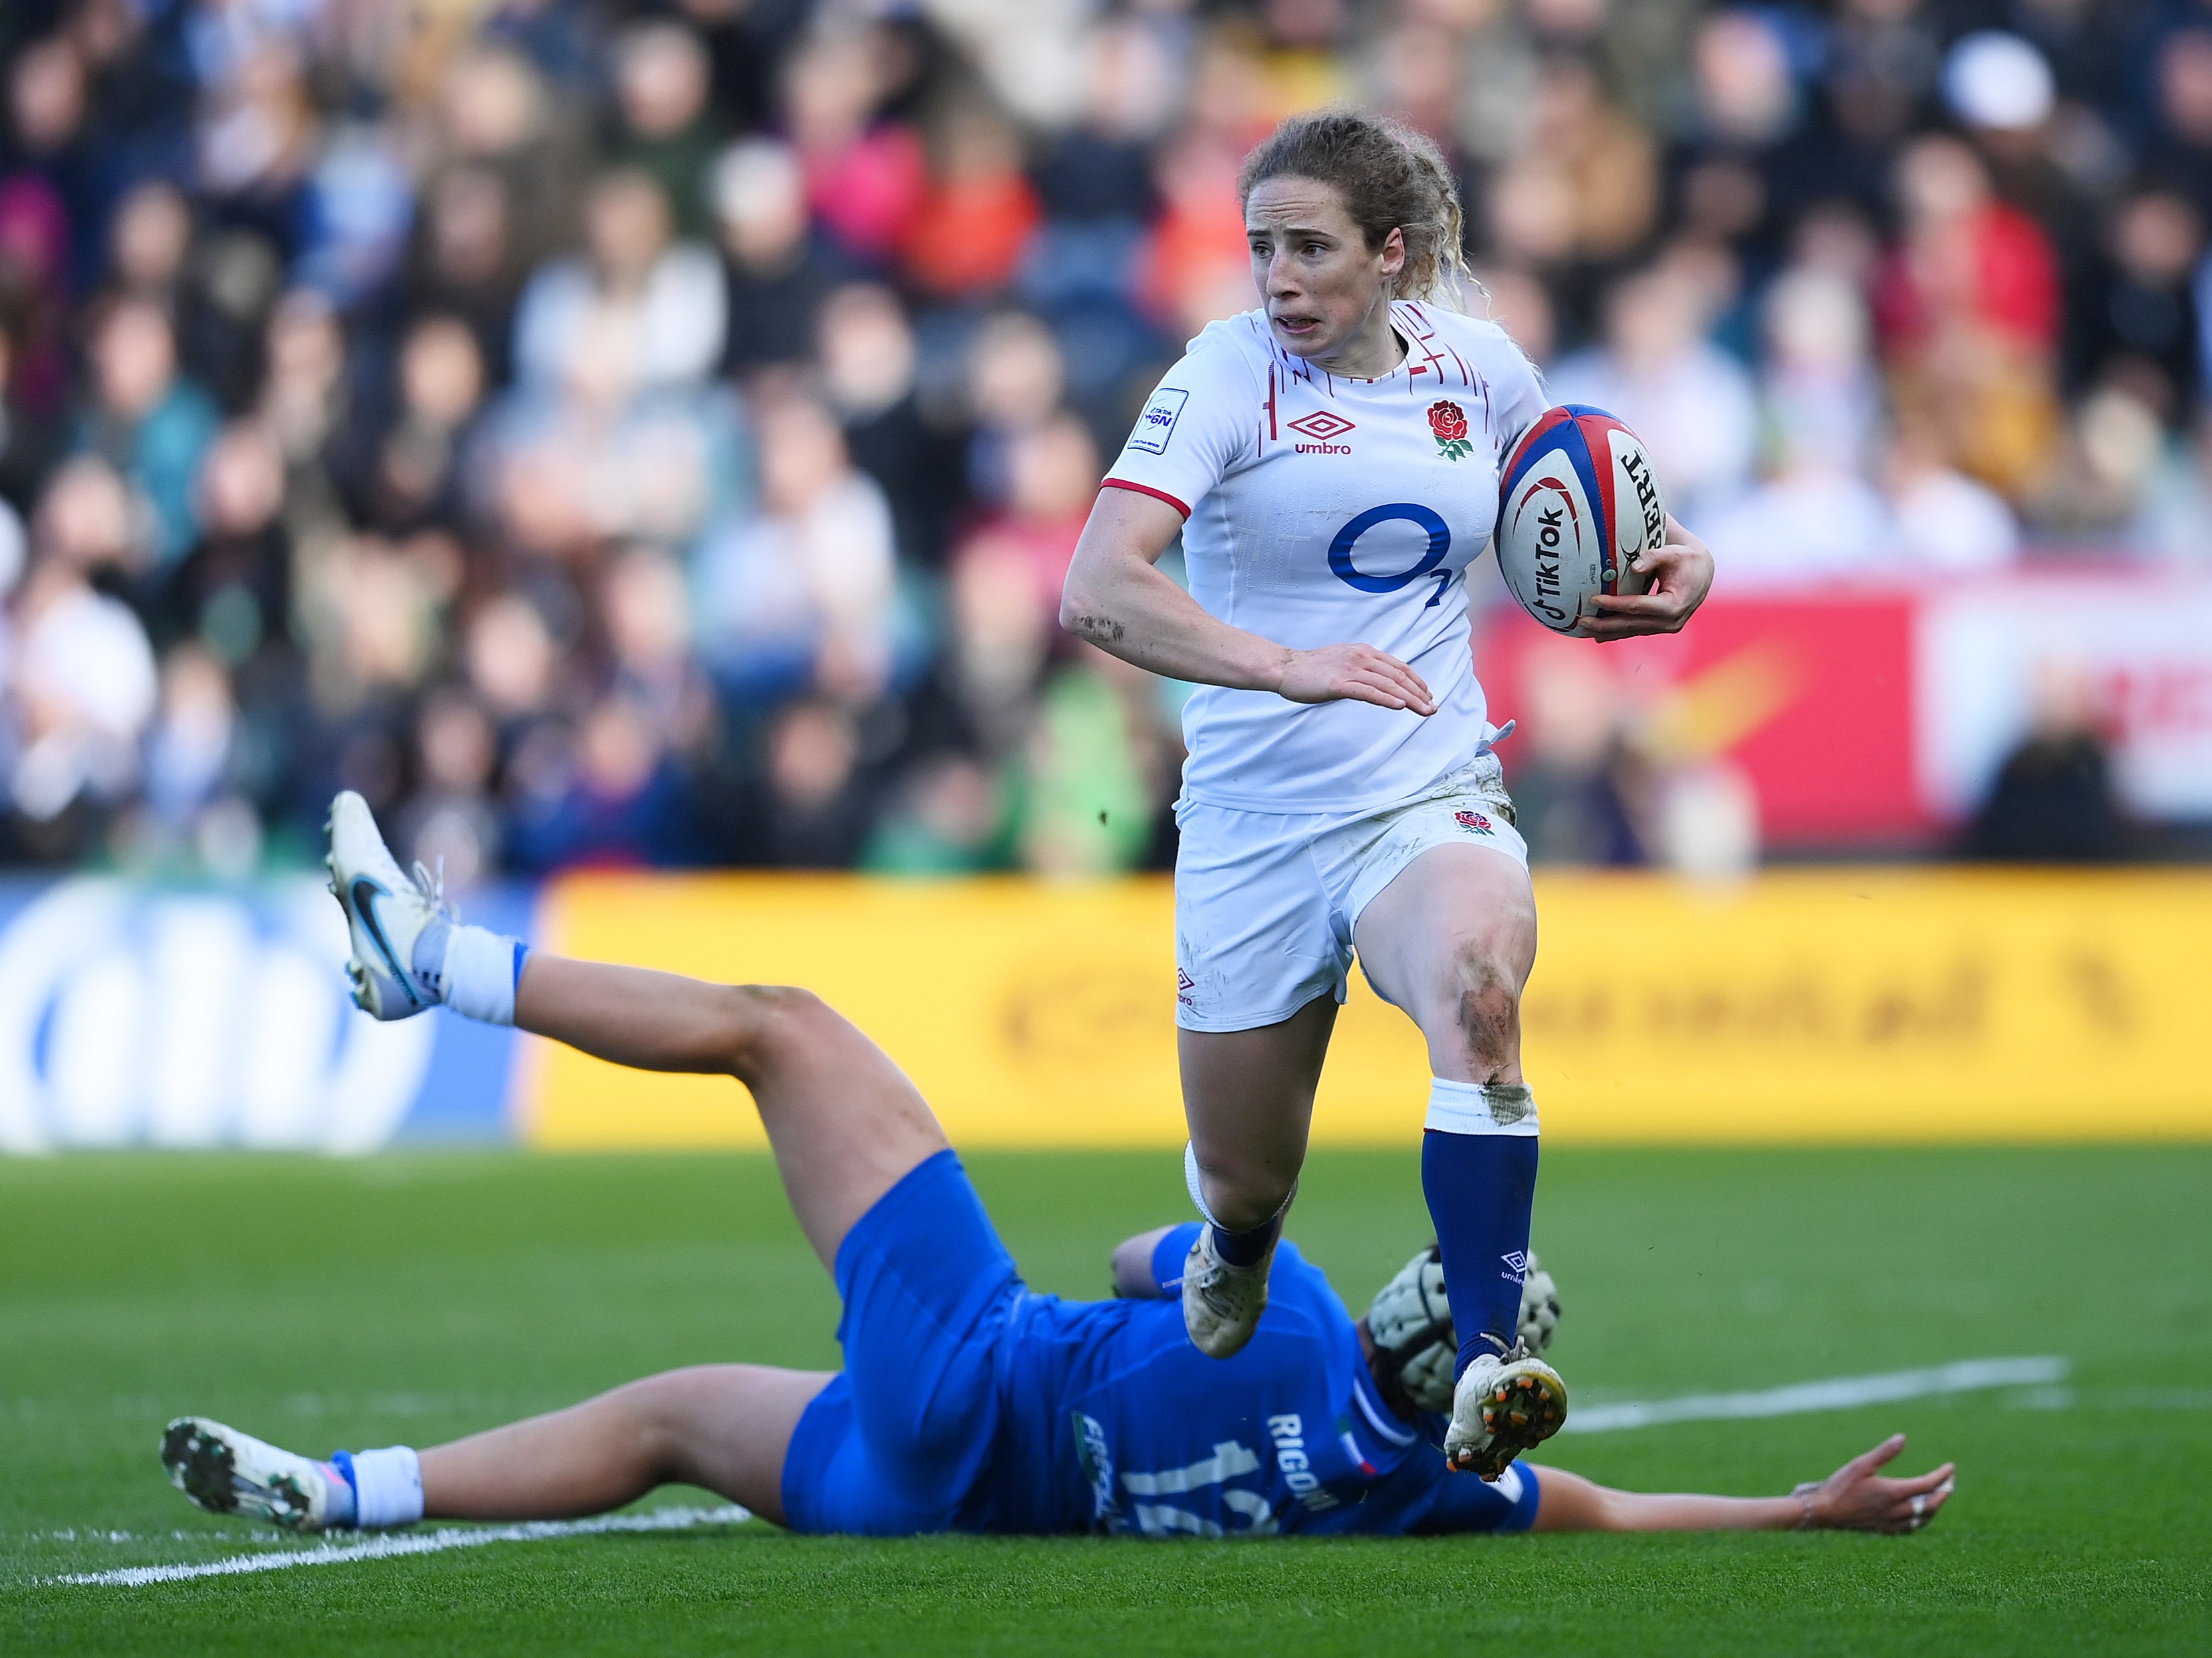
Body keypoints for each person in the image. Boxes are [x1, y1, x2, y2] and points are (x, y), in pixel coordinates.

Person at [160, 793, 1952, 1542]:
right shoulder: (1416, 1495)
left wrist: (1199, 1252)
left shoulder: (1301, 1300)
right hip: (927, 1490)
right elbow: (1616, 1513)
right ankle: (341, 1486)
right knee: (665, 1426)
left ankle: (439, 969)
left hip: (968, 1387)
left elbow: (1123, 1255)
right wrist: (1799, 1510)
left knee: (781, 1024)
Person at [1057, 109, 1715, 1477]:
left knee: (1479, 987)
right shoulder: (1223, 374)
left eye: (1308, 248)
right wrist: (1279, 665)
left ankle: (1488, 1359)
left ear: (1391, 254)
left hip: (1427, 786)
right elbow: (1098, 583)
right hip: (1251, 820)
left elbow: (1582, 496)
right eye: (1259, 248)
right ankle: (1227, 1252)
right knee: (1246, 1180)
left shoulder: (1475, 369)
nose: (1276, 277)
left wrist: (1674, 560)